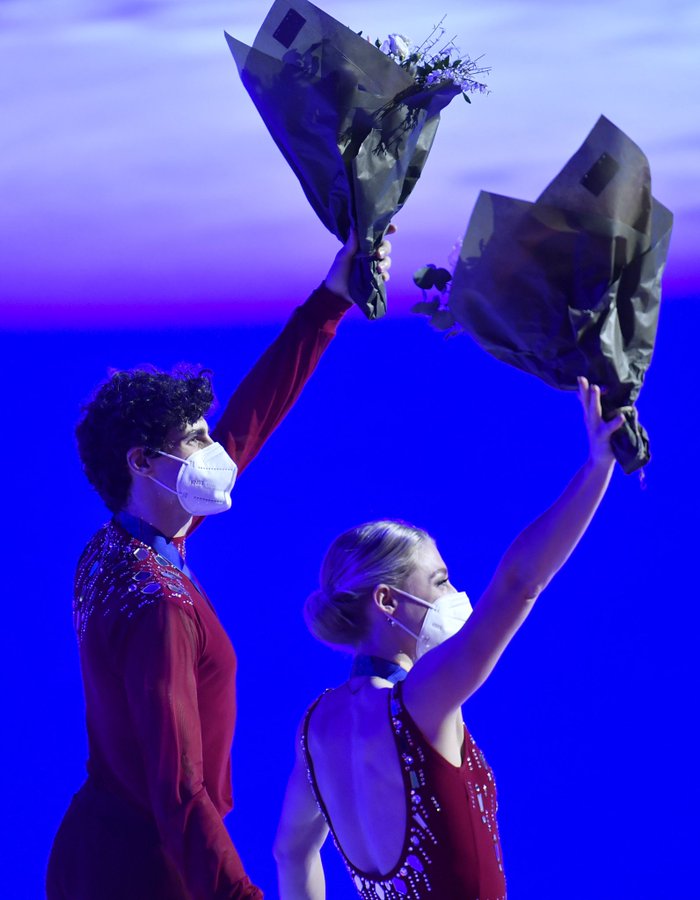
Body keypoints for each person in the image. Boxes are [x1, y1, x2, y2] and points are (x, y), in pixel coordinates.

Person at [46, 230, 394, 900]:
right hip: (147, 873)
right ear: (143, 463)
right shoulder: (160, 607)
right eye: (196, 440)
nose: (215, 453)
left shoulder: (115, 547)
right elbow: (179, 790)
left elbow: (246, 425)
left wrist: (330, 300)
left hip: (99, 847)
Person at [274, 378, 625, 900]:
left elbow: (291, 852)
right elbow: (520, 584)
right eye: (439, 581)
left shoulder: (316, 727)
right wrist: (597, 467)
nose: (454, 594)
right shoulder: (423, 697)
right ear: (387, 601)